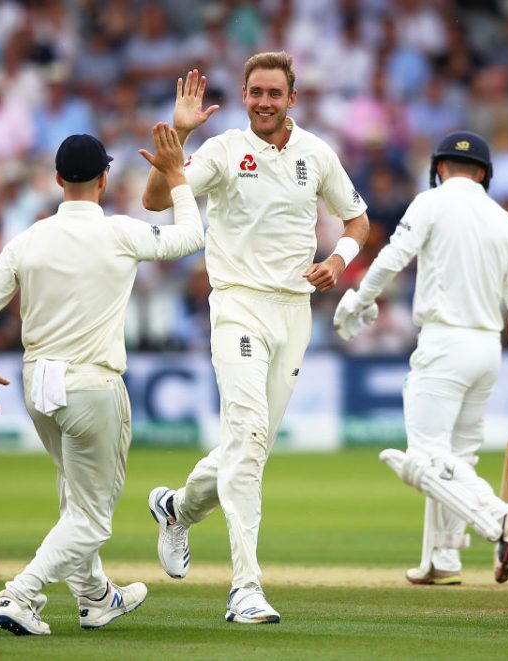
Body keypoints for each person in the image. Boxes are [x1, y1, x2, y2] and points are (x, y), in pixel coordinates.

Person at [141, 53, 370, 623]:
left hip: (294, 311)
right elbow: (154, 199)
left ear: (292, 98)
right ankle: (246, 587)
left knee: (252, 447)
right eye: (255, 92)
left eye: (274, 93)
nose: (264, 102)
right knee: (245, 436)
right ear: (244, 96)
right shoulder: (222, 150)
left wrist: (339, 261)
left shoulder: (316, 154)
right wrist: (181, 134)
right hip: (237, 304)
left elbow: (357, 221)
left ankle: (176, 509)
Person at [0, 127, 204, 636]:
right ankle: (20, 595)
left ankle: (95, 597)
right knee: (92, 518)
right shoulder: (118, 231)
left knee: (76, 501)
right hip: (91, 386)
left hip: (38, 385)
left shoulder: (28, 238)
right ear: (104, 178)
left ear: (57, 178)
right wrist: (177, 175)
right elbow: (191, 236)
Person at [333, 130, 508, 585]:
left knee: (425, 459)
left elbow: (394, 257)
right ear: (485, 176)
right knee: (459, 458)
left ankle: (499, 519)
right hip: (488, 350)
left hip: (444, 345)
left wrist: (358, 300)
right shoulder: (505, 222)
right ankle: (444, 560)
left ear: (438, 168)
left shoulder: (429, 203)